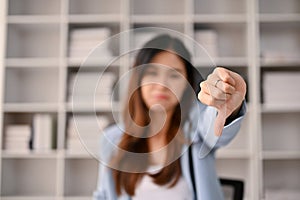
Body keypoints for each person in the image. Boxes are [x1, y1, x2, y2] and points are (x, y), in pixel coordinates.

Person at [93, 34, 247, 200]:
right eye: (152, 73)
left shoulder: (198, 132)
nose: (162, 84)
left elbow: (216, 127)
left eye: (174, 75)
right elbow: (104, 195)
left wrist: (226, 105)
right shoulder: (112, 139)